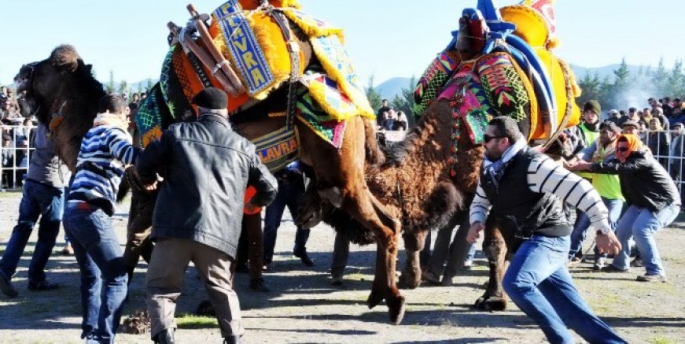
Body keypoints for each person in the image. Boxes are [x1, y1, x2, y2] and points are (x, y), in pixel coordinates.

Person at [136, 87, 278, 344]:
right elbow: (271, 187)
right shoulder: (244, 147)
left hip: (175, 227)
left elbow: (143, 163)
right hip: (220, 234)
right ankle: (234, 339)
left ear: (197, 111)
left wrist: (148, 180)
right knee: (223, 291)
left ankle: (165, 337)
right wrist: (252, 204)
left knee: (160, 290)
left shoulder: (176, 133)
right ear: (225, 113)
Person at [466, 116, 625, 343]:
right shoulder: (490, 167)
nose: (483, 143)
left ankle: (562, 340)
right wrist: (476, 221)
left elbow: (581, 189)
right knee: (573, 311)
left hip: (549, 238)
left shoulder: (533, 164)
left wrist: (603, 229)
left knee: (515, 282)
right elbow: (481, 200)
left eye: (487, 138)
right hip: (527, 242)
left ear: (504, 142)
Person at [62, 94, 139, 343]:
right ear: (120, 113)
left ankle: (89, 334)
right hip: (91, 211)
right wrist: (157, 153)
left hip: (73, 210)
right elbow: (129, 155)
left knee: (91, 276)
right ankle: (104, 339)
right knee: (117, 277)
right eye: (127, 113)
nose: (129, 118)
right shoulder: (113, 131)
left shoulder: (91, 133)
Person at [568, 134, 681, 282]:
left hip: (664, 203)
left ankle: (656, 271)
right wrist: (574, 163)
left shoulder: (642, 159)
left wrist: (586, 165)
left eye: (624, 149)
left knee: (641, 230)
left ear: (633, 147)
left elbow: (616, 167)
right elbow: (605, 165)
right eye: (618, 149)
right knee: (622, 230)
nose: (620, 152)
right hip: (642, 202)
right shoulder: (623, 159)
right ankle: (620, 265)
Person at [0, 122, 70, 298]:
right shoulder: (61, 126)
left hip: (32, 179)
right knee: (47, 235)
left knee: (22, 228)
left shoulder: (41, 125)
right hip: (52, 184)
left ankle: (5, 270)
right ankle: (36, 277)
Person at [566, 121, 625, 270]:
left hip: (615, 194)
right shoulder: (598, 143)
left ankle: (600, 258)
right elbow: (585, 151)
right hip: (596, 193)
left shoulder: (621, 147)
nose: (602, 135)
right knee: (581, 225)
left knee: (608, 224)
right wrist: (573, 161)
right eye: (601, 132)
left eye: (605, 132)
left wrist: (585, 165)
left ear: (614, 133)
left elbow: (609, 166)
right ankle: (568, 256)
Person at [263, 160, 314, 269]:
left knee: (305, 221)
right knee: (271, 224)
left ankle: (300, 249)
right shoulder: (274, 143)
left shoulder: (301, 143)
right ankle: (265, 259)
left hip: (296, 185)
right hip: (277, 185)